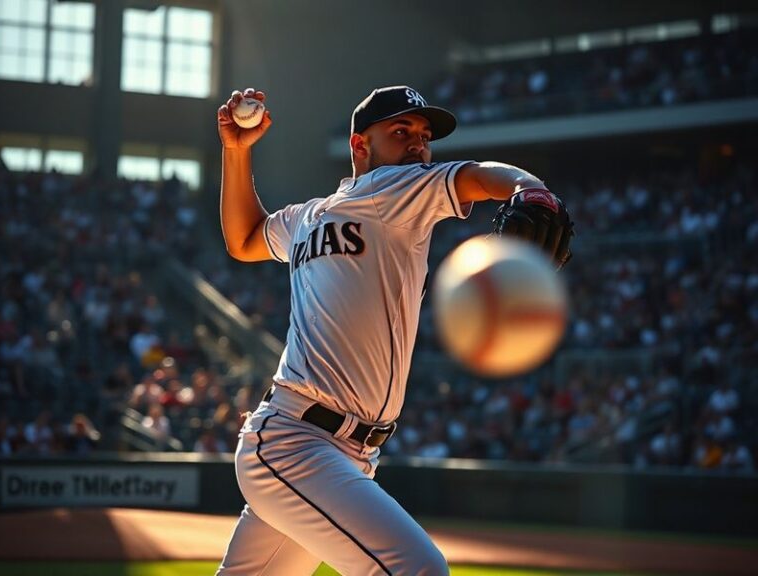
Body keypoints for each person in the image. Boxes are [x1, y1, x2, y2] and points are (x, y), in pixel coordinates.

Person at [215, 85, 572, 575]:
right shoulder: (327, 210)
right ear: (361, 146)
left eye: (424, 136)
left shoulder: (401, 194)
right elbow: (245, 238)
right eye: (400, 131)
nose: (418, 144)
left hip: (339, 452)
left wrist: (526, 188)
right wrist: (237, 152)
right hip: (296, 441)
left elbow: (481, 177)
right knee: (419, 570)